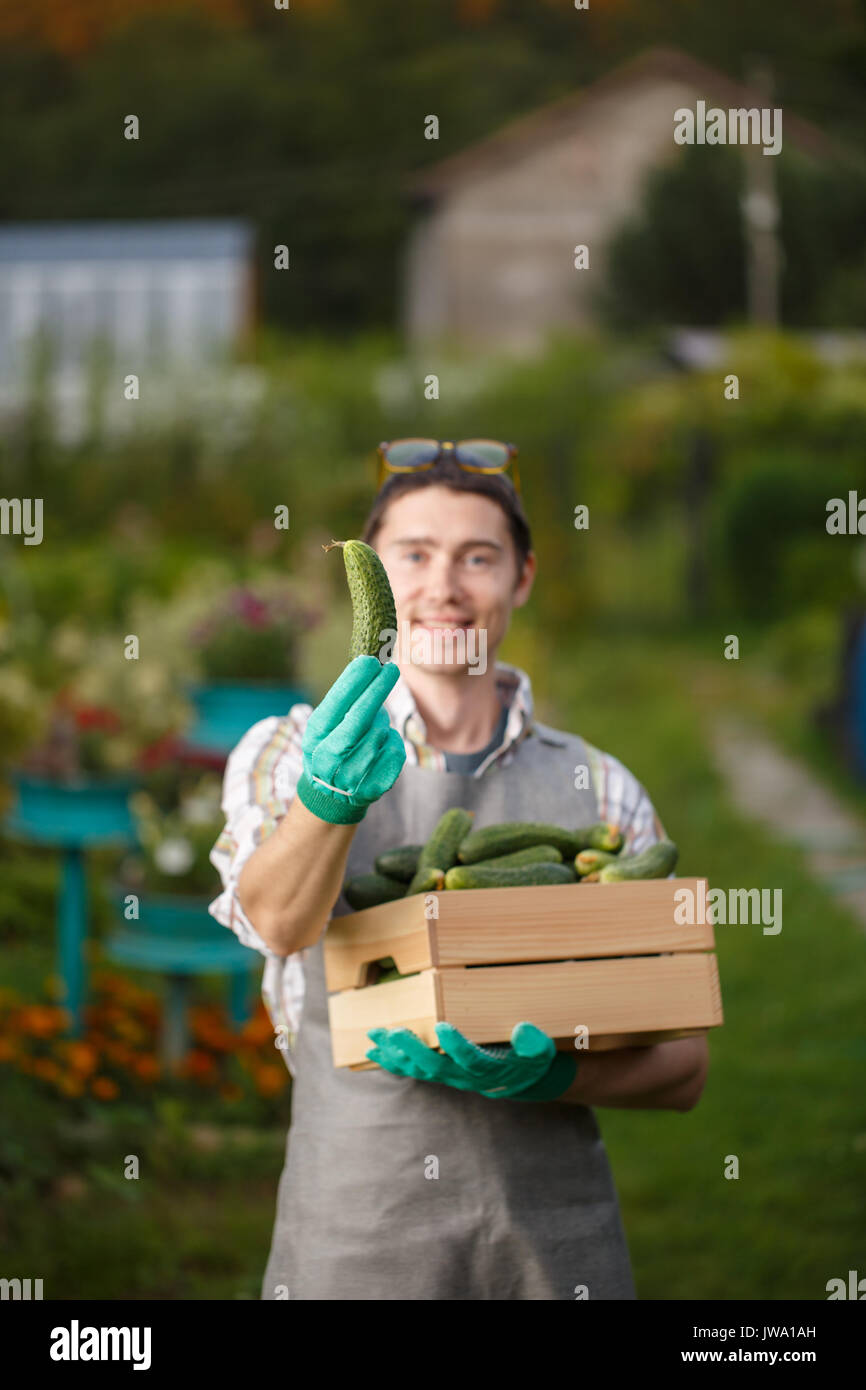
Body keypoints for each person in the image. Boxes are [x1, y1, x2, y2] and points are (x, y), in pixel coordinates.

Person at [208, 443, 709, 1301]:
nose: (444, 585)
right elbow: (279, 924)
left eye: (478, 556)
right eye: (413, 554)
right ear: (374, 576)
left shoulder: (604, 787)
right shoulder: (290, 751)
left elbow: (684, 1067)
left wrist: (553, 1072)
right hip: (355, 1235)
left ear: (521, 578)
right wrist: (327, 800)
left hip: (551, 1248)